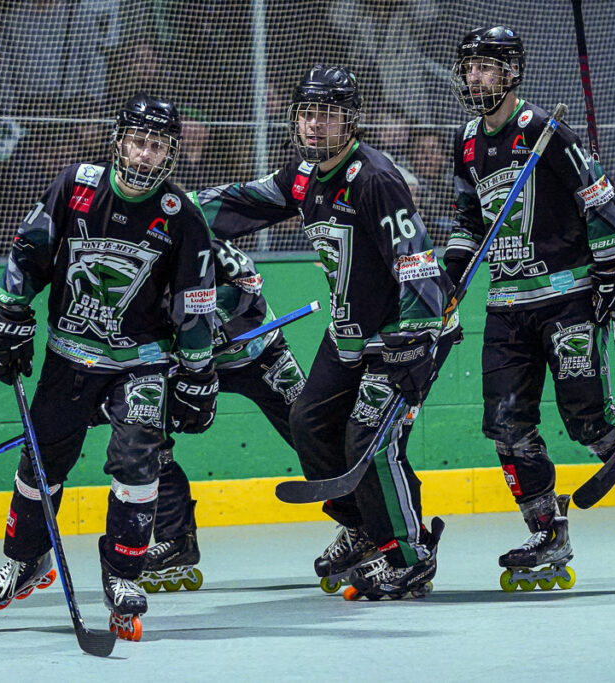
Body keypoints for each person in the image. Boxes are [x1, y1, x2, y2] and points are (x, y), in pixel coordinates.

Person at [446, 26, 615, 588]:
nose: (476, 76)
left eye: (487, 66)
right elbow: (470, 220)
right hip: (506, 305)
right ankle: (546, 530)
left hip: (567, 299)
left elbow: (600, 197)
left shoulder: (544, 130)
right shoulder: (466, 141)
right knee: (505, 425)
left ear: (512, 71)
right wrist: (451, 276)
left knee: (589, 420)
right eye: (469, 66)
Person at [193, 64, 459, 601]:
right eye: (306, 114)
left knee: (370, 440)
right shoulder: (304, 177)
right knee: (309, 420)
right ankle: (362, 527)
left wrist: (416, 341)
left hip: (402, 337)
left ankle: (407, 555)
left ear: (350, 120)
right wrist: (169, 215)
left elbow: (417, 262)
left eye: (328, 115)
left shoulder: (376, 179)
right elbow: (240, 204)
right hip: (348, 337)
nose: (314, 125)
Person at [0, 93, 218, 640]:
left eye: (156, 145)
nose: (144, 153)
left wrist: (199, 373)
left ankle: (124, 575)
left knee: (137, 463)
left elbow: (196, 300)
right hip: (69, 355)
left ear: (170, 153)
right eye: (137, 140)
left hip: (141, 363)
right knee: (41, 466)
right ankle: (25, 560)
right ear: (119, 138)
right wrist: (9, 315)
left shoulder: (181, 215)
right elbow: (29, 251)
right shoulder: (77, 183)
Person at [135, 235, 308, 592]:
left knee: (314, 431)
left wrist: (204, 323)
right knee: (147, 439)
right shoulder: (124, 261)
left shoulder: (199, 242)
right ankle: (176, 541)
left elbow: (248, 283)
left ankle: (365, 529)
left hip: (257, 353)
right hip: (186, 368)